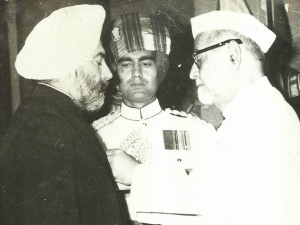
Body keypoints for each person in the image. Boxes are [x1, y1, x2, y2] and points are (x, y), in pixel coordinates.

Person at [0, 5, 126, 225]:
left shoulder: (55, 118)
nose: (107, 73)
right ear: (69, 64)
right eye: (98, 61)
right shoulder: (45, 126)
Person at [92, 12, 216, 222]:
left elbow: (213, 202)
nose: (137, 73)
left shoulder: (197, 131)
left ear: (160, 68)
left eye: (146, 63)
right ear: (115, 71)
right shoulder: (95, 135)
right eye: (126, 64)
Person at [187, 10, 300, 225]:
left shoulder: (261, 118)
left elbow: (210, 208)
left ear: (233, 53)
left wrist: (138, 175)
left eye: (198, 59)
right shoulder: (255, 112)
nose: (192, 73)